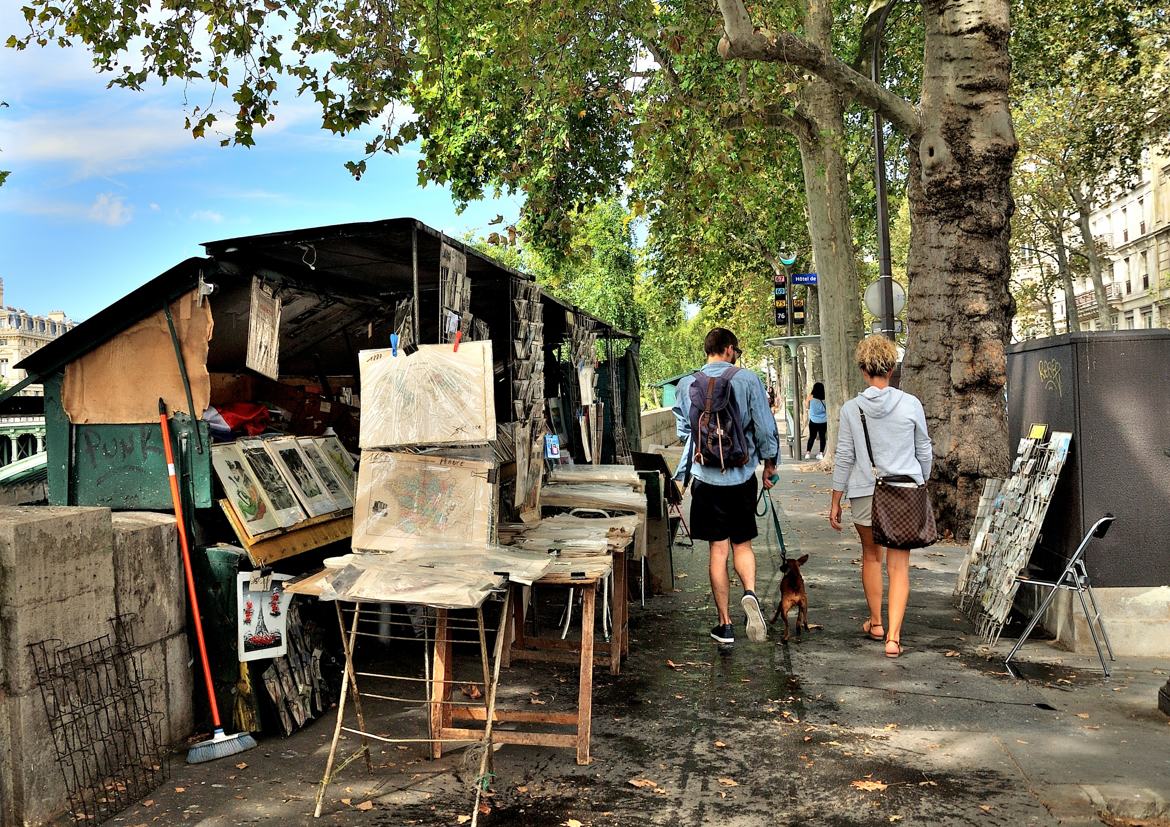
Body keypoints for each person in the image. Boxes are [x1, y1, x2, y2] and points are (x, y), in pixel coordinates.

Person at [673, 328, 780, 645]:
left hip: (705, 480)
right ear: (729, 349)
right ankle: (749, 592)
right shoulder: (747, 380)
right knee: (742, 544)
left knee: (717, 551)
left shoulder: (686, 385)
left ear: (708, 350)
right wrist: (770, 466)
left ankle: (725, 624)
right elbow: (764, 429)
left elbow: (684, 432)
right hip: (741, 477)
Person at [828, 336, 932, 658]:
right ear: (891, 367)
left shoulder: (851, 409)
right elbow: (924, 449)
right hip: (904, 491)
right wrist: (921, 480)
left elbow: (844, 455)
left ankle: (875, 623)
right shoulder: (911, 404)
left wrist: (835, 499)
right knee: (899, 567)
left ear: (863, 370)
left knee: (871, 556)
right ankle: (894, 639)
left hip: (865, 492)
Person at [804, 381, 828, 460]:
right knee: (822, 437)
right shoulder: (825, 398)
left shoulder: (810, 397)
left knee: (812, 437)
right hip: (823, 421)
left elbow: (807, 406)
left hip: (813, 420)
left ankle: (808, 453)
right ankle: (821, 453)